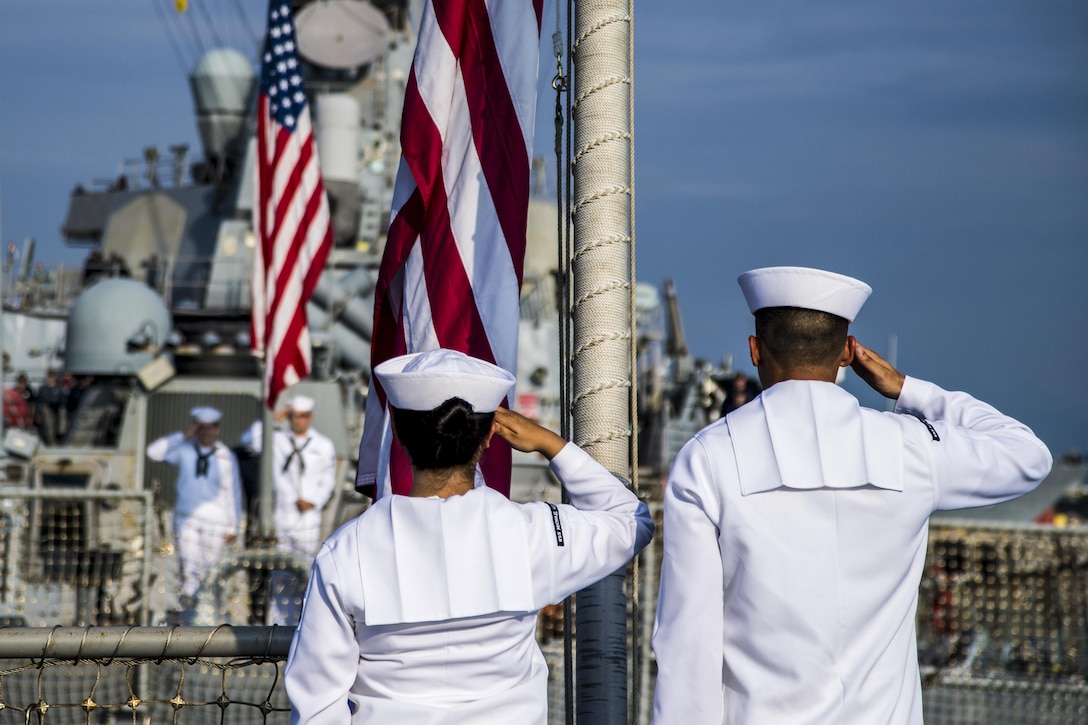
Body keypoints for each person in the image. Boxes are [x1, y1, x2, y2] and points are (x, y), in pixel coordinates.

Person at [652, 266, 1053, 725]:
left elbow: (688, 641)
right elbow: (1029, 455)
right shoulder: (911, 448)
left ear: (755, 350)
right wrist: (906, 388)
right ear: (848, 353)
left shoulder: (708, 457)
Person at [286, 349, 654, 723]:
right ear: (490, 435)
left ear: (397, 431)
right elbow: (631, 519)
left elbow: (318, 702)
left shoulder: (347, 551)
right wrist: (549, 444)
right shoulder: (534, 535)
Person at [146, 407, 243, 621]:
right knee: (188, 569)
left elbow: (232, 491)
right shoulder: (184, 449)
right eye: (201, 428)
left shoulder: (225, 455)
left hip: (216, 520)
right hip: (186, 518)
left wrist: (232, 526)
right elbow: (153, 452)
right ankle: (189, 618)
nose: (205, 432)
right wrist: (183, 435)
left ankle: (209, 616)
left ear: (217, 429)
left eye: (209, 428)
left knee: (211, 571)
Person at [267, 395, 337, 625]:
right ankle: (276, 624)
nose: (299, 421)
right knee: (280, 574)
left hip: (308, 518)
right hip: (283, 516)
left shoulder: (323, 445)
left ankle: (302, 623)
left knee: (305, 572)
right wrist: (278, 418)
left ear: (311, 417)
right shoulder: (277, 439)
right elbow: (252, 438)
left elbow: (328, 480)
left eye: (303, 416)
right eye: (294, 416)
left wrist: (314, 500)